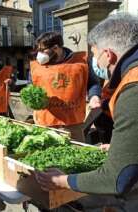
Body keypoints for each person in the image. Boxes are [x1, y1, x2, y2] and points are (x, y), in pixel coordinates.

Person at [35, 14, 138, 210]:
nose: (95, 63)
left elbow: (117, 178)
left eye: (95, 55)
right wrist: (126, 149)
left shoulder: (133, 87)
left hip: (72, 120)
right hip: (48, 120)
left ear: (108, 55)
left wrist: (61, 180)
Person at [29, 32, 101, 142]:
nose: (39, 54)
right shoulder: (36, 67)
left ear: (56, 48)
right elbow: (31, 88)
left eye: (42, 50)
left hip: (73, 124)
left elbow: (93, 83)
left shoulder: (81, 62)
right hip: (46, 123)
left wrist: (94, 96)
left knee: (76, 154)